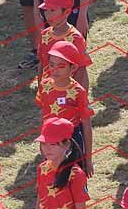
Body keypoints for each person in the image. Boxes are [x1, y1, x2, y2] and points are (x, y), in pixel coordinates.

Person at [35, 41, 94, 176]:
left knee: (73, 177)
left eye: (61, 66)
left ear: (73, 68)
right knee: (53, 177)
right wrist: (43, 142)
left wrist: (88, 159)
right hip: (50, 138)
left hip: (72, 139)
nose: (54, 70)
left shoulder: (78, 92)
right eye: (51, 65)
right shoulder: (44, 86)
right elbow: (43, 115)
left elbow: (86, 125)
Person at [37, 0, 90, 90]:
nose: (48, 15)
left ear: (66, 12)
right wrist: (41, 88)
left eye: (52, 10)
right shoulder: (44, 35)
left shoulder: (75, 38)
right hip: (49, 91)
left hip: (69, 92)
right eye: (46, 10)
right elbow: (42, 63)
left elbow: (81, 69)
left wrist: (79, 94)